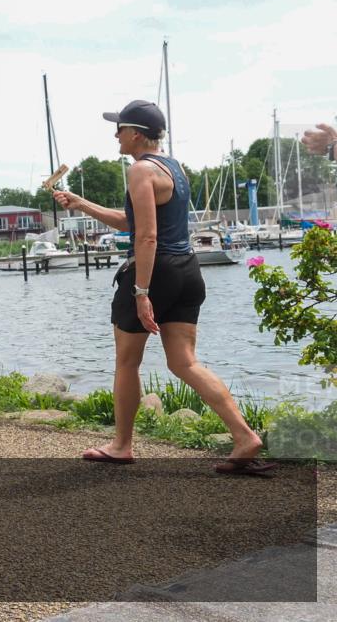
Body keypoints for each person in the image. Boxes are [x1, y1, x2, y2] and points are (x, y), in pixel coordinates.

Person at [53, 100, 273, 476]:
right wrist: (80, 203)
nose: (115, 135)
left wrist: (141, 292)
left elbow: (148, 237)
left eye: (120, 128)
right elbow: (131, 221)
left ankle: (121, 445)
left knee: (127, 361)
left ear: (137, 133)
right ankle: (244, 435)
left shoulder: (139, 170)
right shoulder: (174, 168)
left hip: (156, 271)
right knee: (184, 362)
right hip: (188, 269)